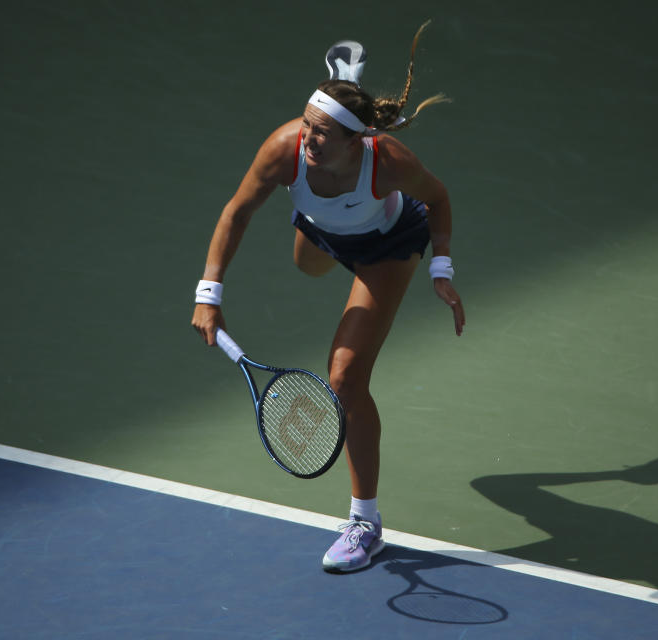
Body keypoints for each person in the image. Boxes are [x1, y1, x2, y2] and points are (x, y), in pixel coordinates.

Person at [191, 23, 465, 573]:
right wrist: (208, 292)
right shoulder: (286, 148)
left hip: (385, 247)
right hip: (321, 231)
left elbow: (438, 199)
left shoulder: (387, 161)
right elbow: (237, 210)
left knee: (344, 378)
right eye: (307, 126)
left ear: (354, 140)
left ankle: (366, 523)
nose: (307, 140)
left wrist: (440, 267)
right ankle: (343, 81)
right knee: (308, 267)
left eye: (321, 133)